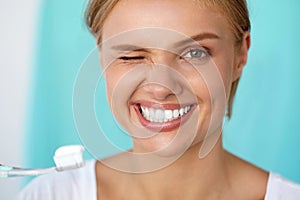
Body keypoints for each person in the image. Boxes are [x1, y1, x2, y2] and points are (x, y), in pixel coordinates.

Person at [18, 0, 300, 199]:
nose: (161, 87)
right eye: (132, 55)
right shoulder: (50, 195)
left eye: (195, 53)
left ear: (241, 55)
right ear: (102, 56)